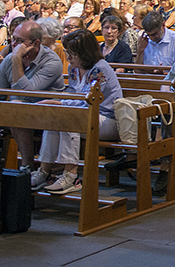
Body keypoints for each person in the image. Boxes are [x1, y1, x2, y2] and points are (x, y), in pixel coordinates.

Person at [31, 29, 123, 194]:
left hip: (107, 119)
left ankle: (71, 176)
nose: (69, 58)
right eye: (68, 52)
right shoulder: (74, 69)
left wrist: (59, 102)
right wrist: (58, 103)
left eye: (73, 54)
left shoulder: (99, 69)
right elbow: (72, 94)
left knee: (69, 119)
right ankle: (44, 171)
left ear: (85, 53)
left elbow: (89, 100)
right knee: (54, 118)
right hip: (85, 115)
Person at [0, 20, 65, 171]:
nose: (13, 45)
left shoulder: (51, 61)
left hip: (48, 112)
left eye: (19, 41)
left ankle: (27, 166)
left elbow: (25, 92)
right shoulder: (8, 61)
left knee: (18, 106)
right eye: (13, 39)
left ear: (36, 44)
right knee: (0, 114)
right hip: (18, 110)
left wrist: (17, 59)